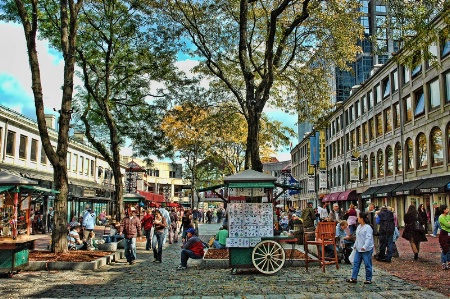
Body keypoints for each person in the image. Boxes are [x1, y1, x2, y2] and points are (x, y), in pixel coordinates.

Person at [346, 212, 374, 284]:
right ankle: (354, 277)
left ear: (362, 218)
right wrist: (355, 245)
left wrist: (365, 246)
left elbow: (368, 238)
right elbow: (358, 238)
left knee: (367, 264)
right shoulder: (359, 227)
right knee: (356, 263)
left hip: (366, 249)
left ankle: (368, 279)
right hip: (358, 249)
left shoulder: (368, 227)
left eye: (358, 217)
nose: (357, 218)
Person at [438, 204, 450, 270]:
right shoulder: (441, 217)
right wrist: (448, 223)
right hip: (444, 234)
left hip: (449, 233)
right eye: (447, 208)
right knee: (445, 249)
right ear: (444, 210)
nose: (448, 209)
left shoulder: (448, 216)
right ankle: (444, 262)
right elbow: (447, 225)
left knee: (449, 248)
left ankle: (449, 262)